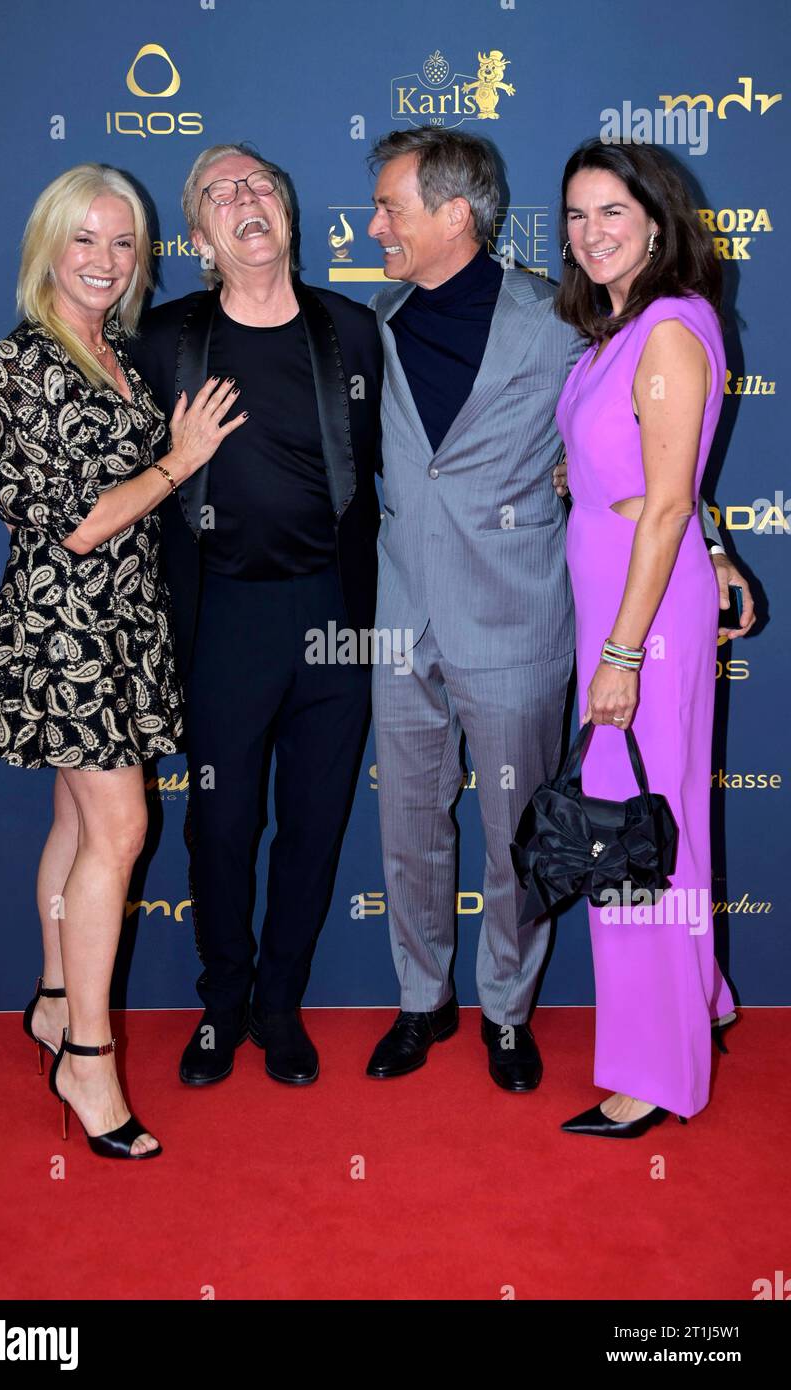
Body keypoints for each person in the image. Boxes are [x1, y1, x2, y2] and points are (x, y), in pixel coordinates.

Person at [362, 126, 752, 1092]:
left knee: (515, 833)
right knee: (409, 828)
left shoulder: (558, 321)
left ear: (456, 212)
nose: (373, 226)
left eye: (390, 207)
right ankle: (423, 1000)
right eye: (577, 215)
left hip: (524, 623)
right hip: (402, 614)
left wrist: (707, 541)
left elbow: (667, 468)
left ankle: (506, 1009)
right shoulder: (373, 319)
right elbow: (624, 455)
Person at [0, 164, 241, 1159]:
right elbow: (74, 525)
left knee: (80, 820)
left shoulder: (115, 353)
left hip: (124, 622)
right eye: (86, 239)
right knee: (120, 827)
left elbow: (11, 488)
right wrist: (179, 459)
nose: (107, 260)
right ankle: (87, 1054)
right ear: (51, 245)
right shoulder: (24, 359)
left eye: (124, 244)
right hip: (68, 630)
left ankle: (48, 996)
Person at [126, 144, 382, 1087]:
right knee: (222, 828)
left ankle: (280, 1008)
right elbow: (97, 476)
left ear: (290, 213)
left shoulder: (353, 332)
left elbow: (433, 461)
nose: (247, 200)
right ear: (198, 235)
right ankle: (221, 1003)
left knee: (313, 827)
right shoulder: (163, 341)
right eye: (221, 194)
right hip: (222, 620)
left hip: (336, 621)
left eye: (262, 185)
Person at [554, 138, 754, 1137]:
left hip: (643, 617)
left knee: (637, 839)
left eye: (613, 215)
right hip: (621, 589)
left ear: (658, 222)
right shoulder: (619, 326)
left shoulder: (670, 327)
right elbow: (655, 483)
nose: (591, 235)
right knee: (644, 820)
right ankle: (695, 1001)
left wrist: (625, 655)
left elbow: (668, 502)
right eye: (577, 217)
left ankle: (656, 1068)